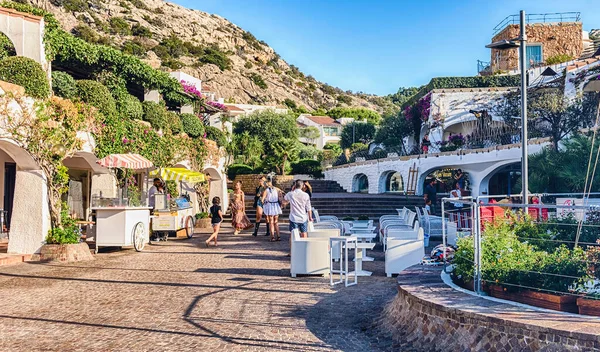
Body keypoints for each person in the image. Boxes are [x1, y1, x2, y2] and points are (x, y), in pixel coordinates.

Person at [261, 177, 283, 242]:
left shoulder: (267, 190)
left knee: (271, 222)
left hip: (270, 206)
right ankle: (278, 236)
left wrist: (264, 202)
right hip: (276, 206)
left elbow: (262, 199)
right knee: (276, 222)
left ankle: (272, 236)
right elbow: (280, 197)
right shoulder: (277, 189)